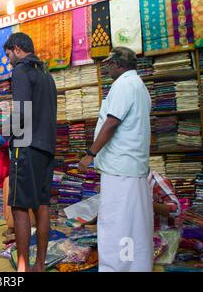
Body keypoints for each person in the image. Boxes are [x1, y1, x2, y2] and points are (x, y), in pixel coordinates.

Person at [0, 32, 57, 272]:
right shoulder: (47, 76)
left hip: (26, 146)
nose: (8, 60)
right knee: (42, 205)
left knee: (20, 206)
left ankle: (23, 267)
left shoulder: (22, 70)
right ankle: (39, 265)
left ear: (17, 49)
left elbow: (21, 114)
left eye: (8, 54)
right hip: (46, 147)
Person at [78, 46, 153, 272]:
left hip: (120, 168)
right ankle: (135, 265)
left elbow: (112, 122)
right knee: (133, 223)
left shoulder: (123, 85)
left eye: (109, 64)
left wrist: (90, 154)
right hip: (132, 167)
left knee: (117, 224)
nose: (108, 69)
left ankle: (117, 267)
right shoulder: (139, 86)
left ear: (118, 64)